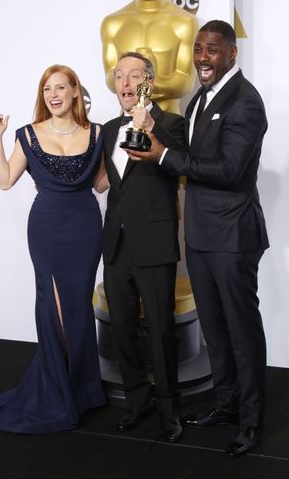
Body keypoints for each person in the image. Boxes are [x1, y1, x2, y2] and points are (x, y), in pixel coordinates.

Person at [124, 21, 269, 457]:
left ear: (232, 53)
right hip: (202, 235)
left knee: (242, 333)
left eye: (212, 49)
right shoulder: (200, 98)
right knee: (214, 330)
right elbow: (190, 156)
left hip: (233, 236)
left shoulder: (246, 102)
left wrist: (163, 155)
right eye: (198, 49)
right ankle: (225, 405)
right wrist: (151, 134)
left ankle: (251, 420)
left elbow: (229, 170)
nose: (203, 57)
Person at [0, 64, 108, 434]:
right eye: (47, 88)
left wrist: (127, 153)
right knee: (54, 309)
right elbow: (3, 181)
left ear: (75, 92)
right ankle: (57, 389)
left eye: (61, 88)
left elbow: (100, 185)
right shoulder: (28, 135)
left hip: (85, 226)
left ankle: (83, 390)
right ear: (42, 95)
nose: (53, 94)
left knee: (79, 307)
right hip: (47, 228)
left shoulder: (97, 133)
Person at [102, 51, 185, 443]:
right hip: (116, 244)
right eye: (119, 75)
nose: (125, 82)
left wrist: (150, 125)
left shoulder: (172, 123)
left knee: (161, 328)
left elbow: (181, 163)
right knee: (121, 327)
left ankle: (169, 407)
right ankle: (139, 400)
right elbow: (105, 182)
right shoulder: (106, 130)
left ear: (148, 81)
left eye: (133, 75)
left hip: (154, 242)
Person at [101, 0, 198, 113]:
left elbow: (185, 82)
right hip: (127, 119)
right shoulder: (112, 23)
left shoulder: (185, 22)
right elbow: (110, 77)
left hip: (169, 121)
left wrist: (143, 81)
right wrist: (140, 80)